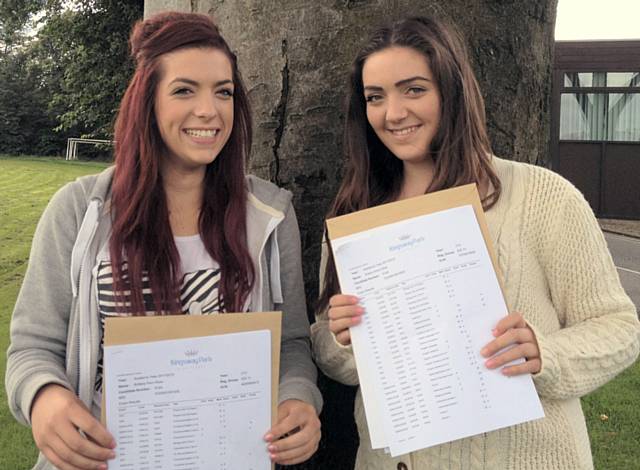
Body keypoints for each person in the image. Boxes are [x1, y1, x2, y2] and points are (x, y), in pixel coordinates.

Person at [311, 15, 640, 470]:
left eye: (414, 89)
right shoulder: (354, 217)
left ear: (452, 90)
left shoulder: (541, 197)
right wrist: (342, 338)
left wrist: (547, 354)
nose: (393, 113)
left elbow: (620, 328)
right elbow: (335, 361)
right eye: (375, 97)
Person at [6, 12, 321, 470]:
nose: (209, 110)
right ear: (147, 102)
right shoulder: (79, 210)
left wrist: (299, 398)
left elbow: (291, 344)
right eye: (184, 90)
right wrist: (45, 399)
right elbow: (32, 347)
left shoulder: (271, 216)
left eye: (224, 92)